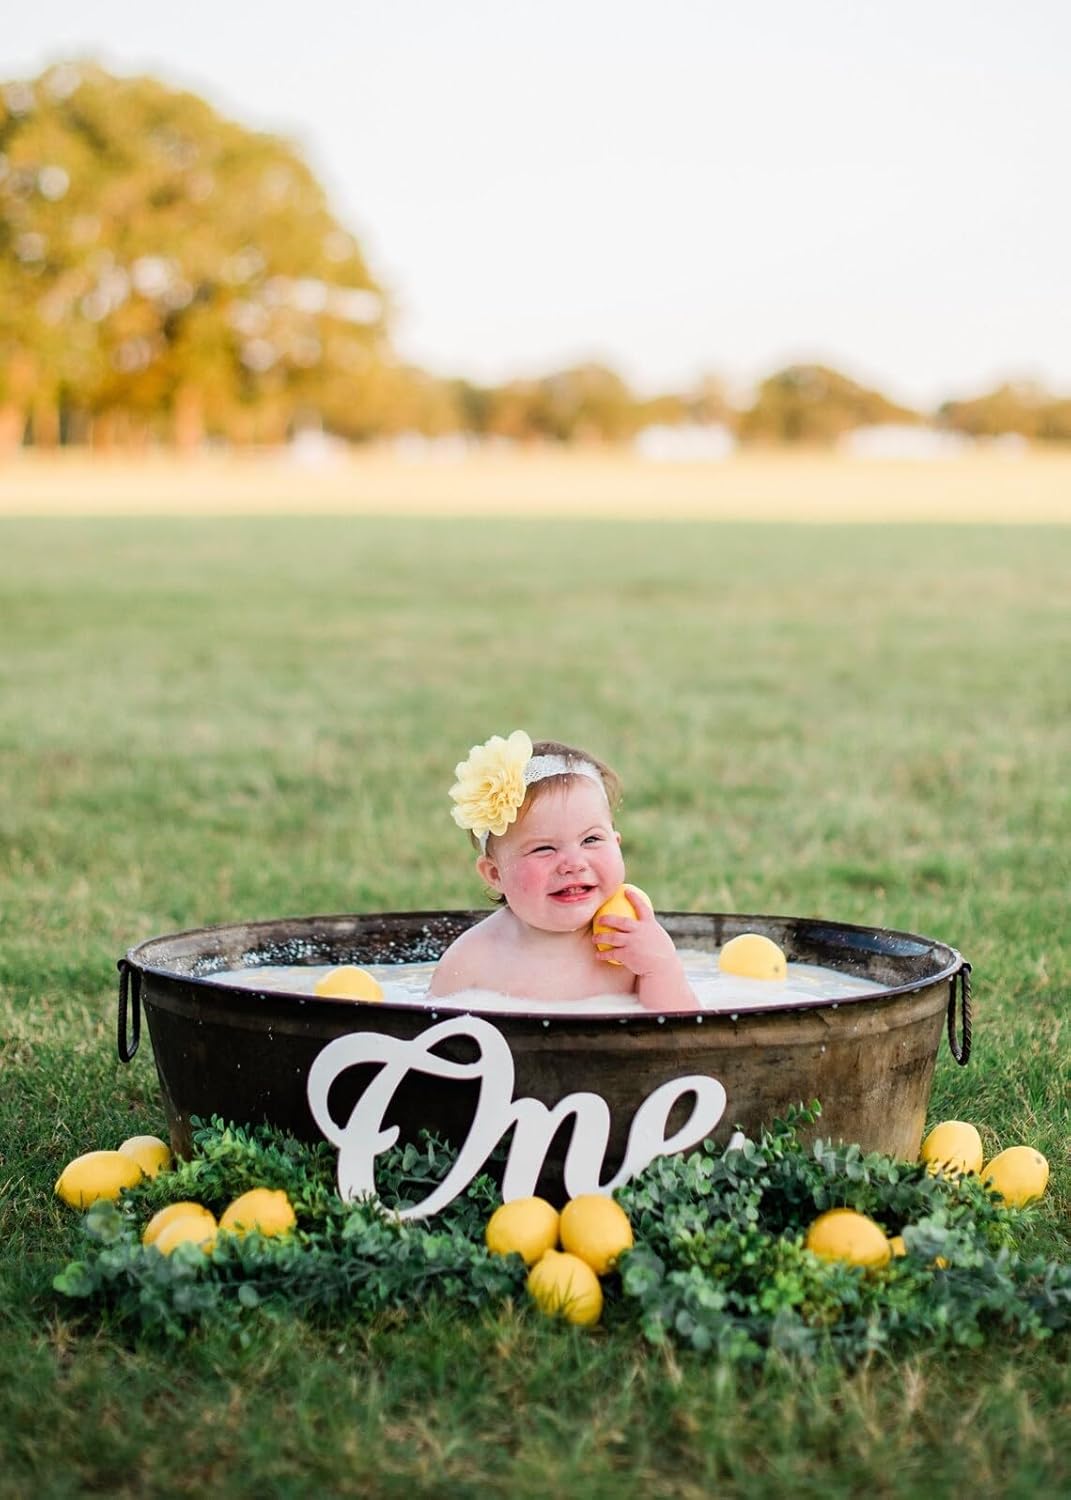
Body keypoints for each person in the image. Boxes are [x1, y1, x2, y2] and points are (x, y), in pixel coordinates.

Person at [428, 730, 696, 1011]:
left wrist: (661, 968)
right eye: (544, 849)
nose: (573, 863)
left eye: (591, 840)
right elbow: (430, 1037)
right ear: (496, 875)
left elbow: (684, 1030)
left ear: (616, 844)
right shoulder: (473, 959)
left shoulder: (631, 940)